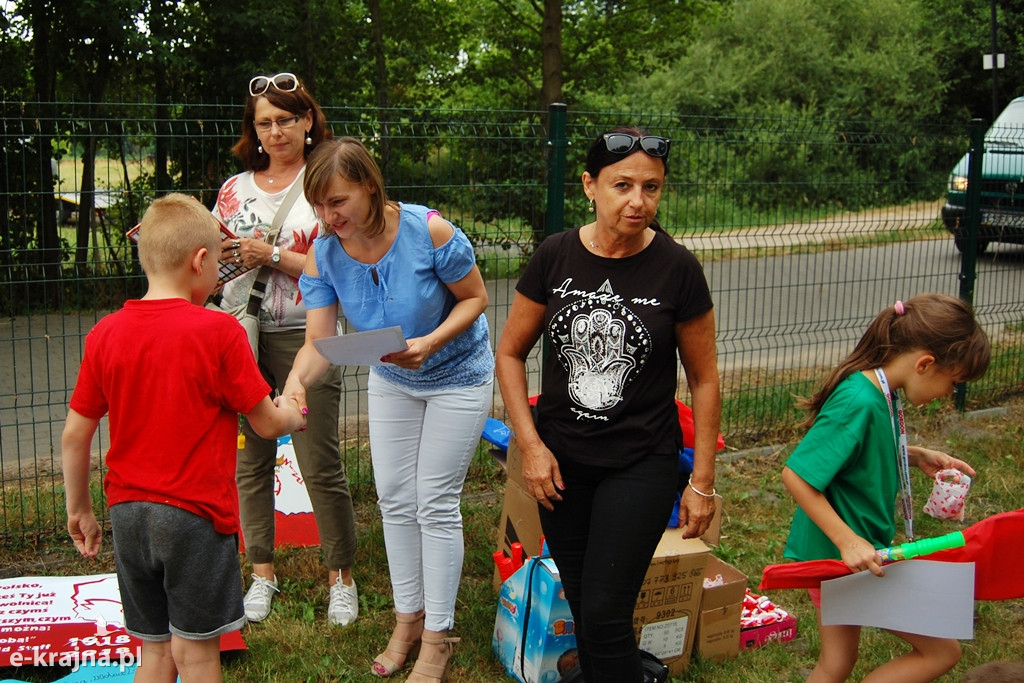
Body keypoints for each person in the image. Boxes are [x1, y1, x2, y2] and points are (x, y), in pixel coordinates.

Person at [495, 126, 722, 683]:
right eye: (622, 185)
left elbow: (705, 379)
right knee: (584, 602)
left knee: (603, 612)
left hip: (640, 462)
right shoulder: (555, 256)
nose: (638, 201)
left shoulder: (678, 269)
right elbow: (509, 353)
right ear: (590, 186)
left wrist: (703, 483)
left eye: (652, 187)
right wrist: (530, 445)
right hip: (561, 465)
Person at [61, 194, 306, 683]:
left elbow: (74, 434)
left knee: (154, 654)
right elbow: (264, 422)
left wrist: (80, 509)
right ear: (200, 260)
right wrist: (293, 412)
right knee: (196, 657)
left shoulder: (105, 334)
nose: (218, 271)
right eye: (218, 260)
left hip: (128, 515)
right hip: (194, 517)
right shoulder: (219, 331)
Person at [281, 137, 494, 682]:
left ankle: (438, 639)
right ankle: (408, 621)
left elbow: (475, 298)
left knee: (434, 501)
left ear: (370, 189)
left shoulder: (431, 232)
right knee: (396, 501)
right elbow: (318, 343)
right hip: (393, 376)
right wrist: (295, 384)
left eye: (339, 202)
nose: (329, 217)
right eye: (320, 206)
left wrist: (431, 343)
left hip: (457, 375)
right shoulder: (324, 252)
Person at [212, 72, 360, 626]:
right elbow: (219, 260)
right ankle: (262, 573)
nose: (274, 132)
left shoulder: (327, 181)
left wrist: (268, 253)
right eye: (264, 122)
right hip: (241, 335)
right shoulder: (232, 189)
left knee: (318, 460)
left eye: (285, 120)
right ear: (253, 129)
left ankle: (340, 576)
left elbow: (339, 266)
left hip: (310, 336)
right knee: (250, 460)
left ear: (307, 122)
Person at [781, 294, 991, 683]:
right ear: (925, 363)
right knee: (942, 650)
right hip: (846, 560)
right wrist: (848, 542)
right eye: (953, 383)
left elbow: (859, 451)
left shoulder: (881, 393)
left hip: (855, 557)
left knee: (835, 664)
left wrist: (911, 454)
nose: (949, 394)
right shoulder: (859, 400)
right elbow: (797, 475)